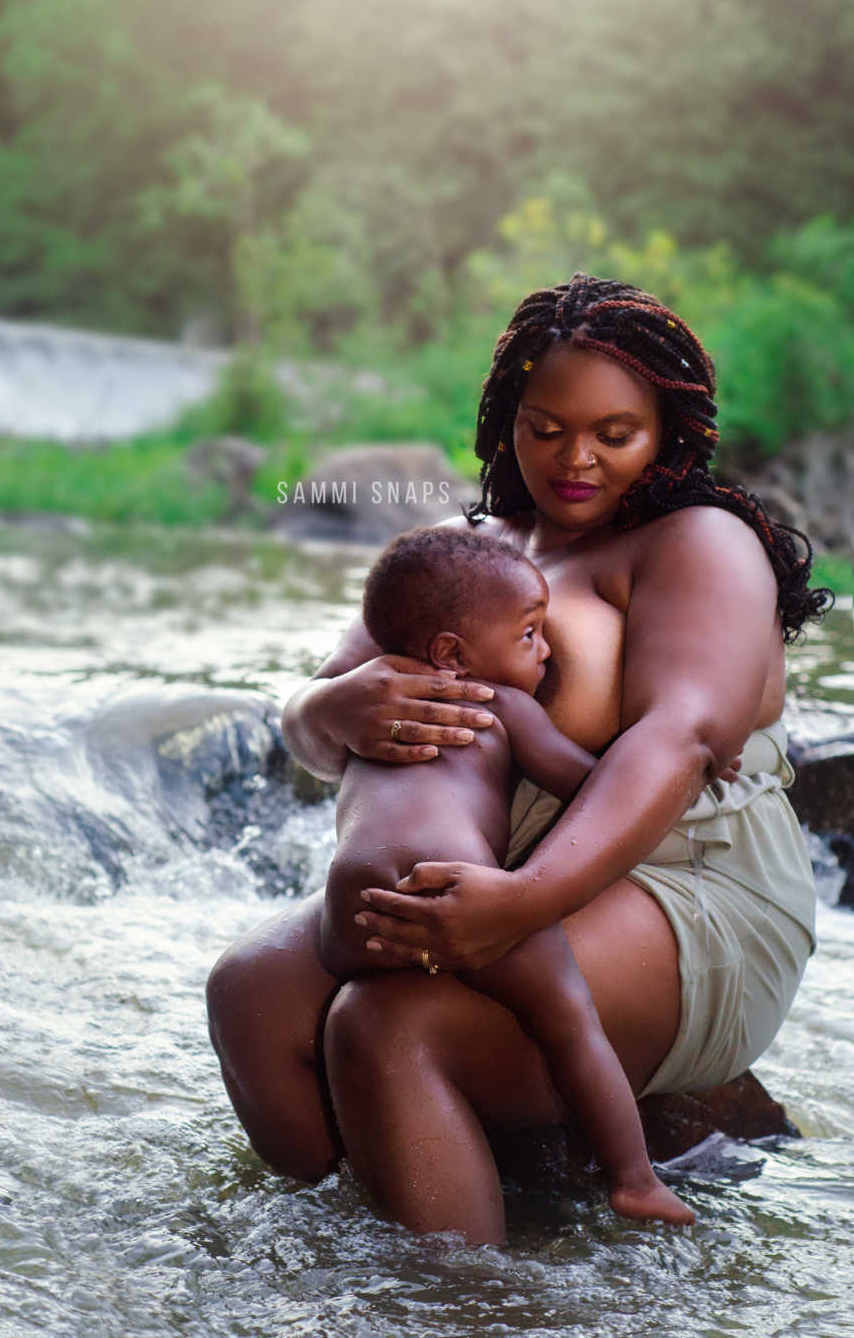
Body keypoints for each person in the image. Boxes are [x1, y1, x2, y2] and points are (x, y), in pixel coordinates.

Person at [207, 274, 829, 1246]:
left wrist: (528, 900)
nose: (574, 460)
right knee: (249, 991)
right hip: (497, 870)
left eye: (613, 434)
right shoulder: (475, 547)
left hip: (686, 883)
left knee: (387, 1025)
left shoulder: (699, 543)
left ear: (667, 427)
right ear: (508, 421)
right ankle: (349, 1245)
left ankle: (471, 1304)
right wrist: (332, 702)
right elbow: (310, 727)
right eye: (545, 429)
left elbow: (681, 738)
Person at [321, 525, 694, 1225]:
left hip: (351, 903)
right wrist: (688, 773)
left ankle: (336, 1187)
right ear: (452, 655)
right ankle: (634, 1177)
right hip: (454, 878)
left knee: (377, 999)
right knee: (569, 1018)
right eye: (529, 635)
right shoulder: (502, 706)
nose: (547, 651)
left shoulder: (374, 709)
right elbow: (587, 784)